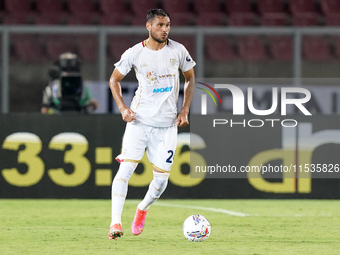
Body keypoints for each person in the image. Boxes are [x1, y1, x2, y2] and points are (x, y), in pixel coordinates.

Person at [108, 9, 196, 240]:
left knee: (161, 181)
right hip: (139, 122)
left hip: (166, 125)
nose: (165, 29)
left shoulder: (178, 50)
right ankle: (115, 223)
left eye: (168, 24)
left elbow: (190, 78)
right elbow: (114, 80)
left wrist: (185, 109)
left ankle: (142, 208)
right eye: (160, 25)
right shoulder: (135, 53)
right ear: (148, 26)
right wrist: (122, 108)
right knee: (125, 170)